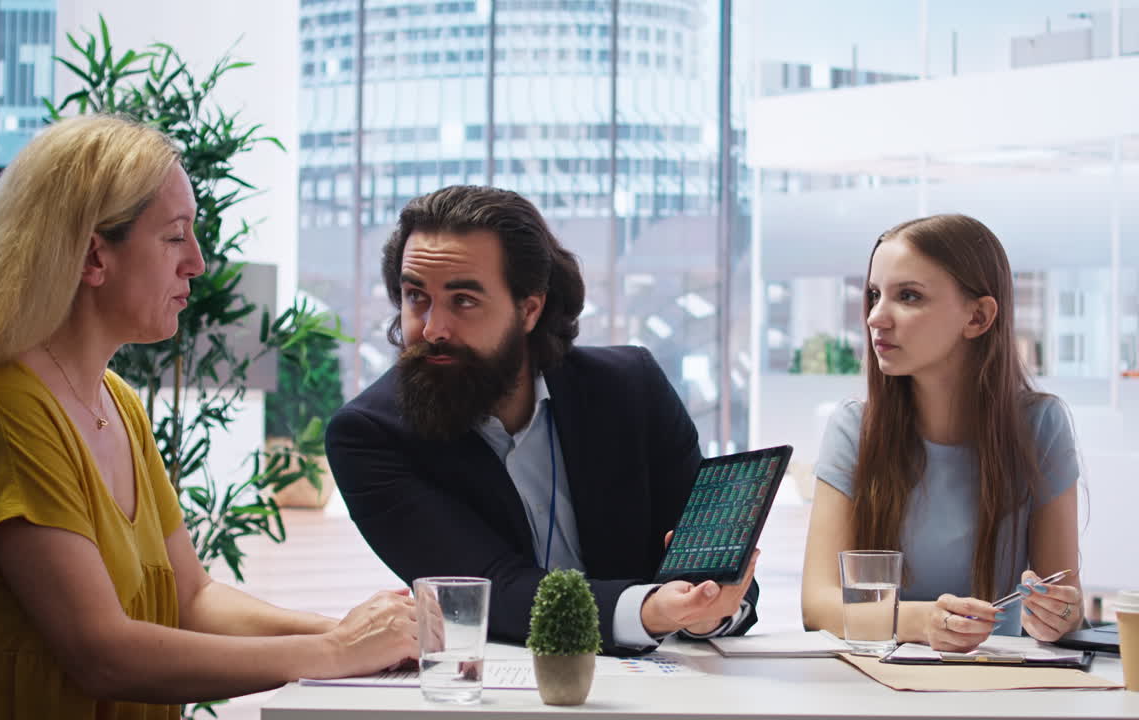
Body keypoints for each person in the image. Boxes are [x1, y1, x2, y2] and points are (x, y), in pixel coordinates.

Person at [0, 115, 417, 719]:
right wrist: (336, 650)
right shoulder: (5, 409)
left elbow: (191, 597)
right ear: (94, 255)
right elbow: (101, 653)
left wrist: (348, 635)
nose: (198, 264)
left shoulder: (116, 401)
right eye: (175, 237)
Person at [325, 185, 760, 656]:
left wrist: (707, 610)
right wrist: (649, 610)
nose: (432, 329)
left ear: (529, 308)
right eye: (416, 297)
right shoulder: (370, 435)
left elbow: (713, 566)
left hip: (661, 684)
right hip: (495, 692)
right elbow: (490, 590)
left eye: (464, 300)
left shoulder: (631, 388)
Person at [800, 214, 1082, 653]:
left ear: (978, 316)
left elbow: (1063, 601)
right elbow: (817, 605)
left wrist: (1057, 616)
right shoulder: (855, 427)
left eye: (908, 296)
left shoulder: (1040, 425)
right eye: (875, 295)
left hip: (995, 687)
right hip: (876, 680)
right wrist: (918, 620)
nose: (876, 317)